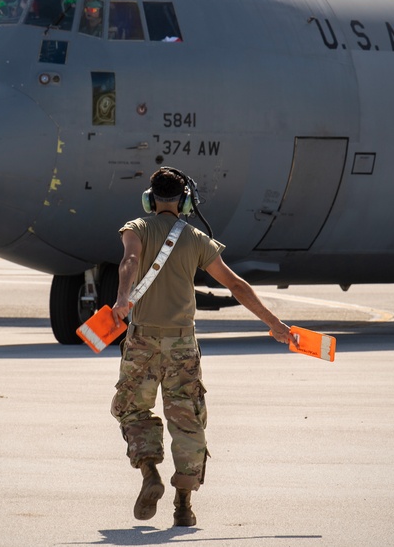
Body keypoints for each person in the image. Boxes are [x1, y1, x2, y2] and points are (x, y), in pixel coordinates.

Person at [111, 166, 293, 527]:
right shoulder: (196, 239)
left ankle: (150, 471)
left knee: (131, 408)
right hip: (182, 345)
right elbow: (237, 285)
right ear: (186, 202)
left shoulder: (137, 228)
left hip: (143, 338)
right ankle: (183, 504)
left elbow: (130, 261)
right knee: (188, 421)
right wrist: (274, 324)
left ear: (150, 199)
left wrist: (121, 299)